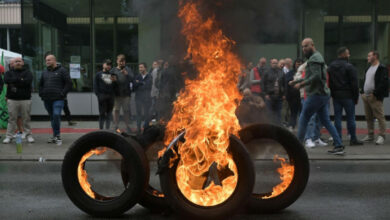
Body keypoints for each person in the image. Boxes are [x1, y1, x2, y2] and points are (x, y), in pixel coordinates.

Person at [289, 38, 344, 155]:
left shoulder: (314, 59)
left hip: (316, 94)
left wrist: (301, 84)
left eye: (306, 46)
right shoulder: (316, 57)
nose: (304, 49)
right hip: (322, 94)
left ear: (312, 45)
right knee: (326, 121)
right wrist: (296, 81)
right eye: (303, 46)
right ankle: (339, 145)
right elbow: (312, 75)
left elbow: (316, 77)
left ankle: (296, 148)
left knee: (303, 118)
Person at [328, 47, 363, 146]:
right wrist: (356, 97)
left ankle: (338, 139)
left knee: (337, 118)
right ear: (343, 54)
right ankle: (353, 139)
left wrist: (332, 93)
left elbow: (329, 82)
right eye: (348, 53)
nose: (349, 55)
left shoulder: (331, 66)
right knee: (351, 118)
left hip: (336, 96)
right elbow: (354, 84)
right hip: (348, 96)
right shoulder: (349, 67)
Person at [39, 53, 72, 145]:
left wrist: (62, 94)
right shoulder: (44, 72)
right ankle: (55, 136)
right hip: (47, 99)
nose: (47, 62)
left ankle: (57, 135)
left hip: (58, 99)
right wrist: (41, 94)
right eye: (46, 61)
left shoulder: (62, 71)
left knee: (56, 114)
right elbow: (40, 84)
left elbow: (69, 83)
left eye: (49, 60)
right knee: (52, 117)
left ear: (54, 60)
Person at [3, 58, 34, 144]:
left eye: (19, 61)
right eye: (16, 62)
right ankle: (9, 136)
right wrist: (21, 80)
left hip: (25, 99)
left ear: (23, 63)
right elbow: (7, 80)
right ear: (13, 64)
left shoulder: (28, 73)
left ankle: (28, 135)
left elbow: (27, 82)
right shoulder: (8, 73)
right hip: (12, 99)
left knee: (26, 118)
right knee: (11, 119)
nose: (18, 63)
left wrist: (15, 81)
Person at [360, 51, 389, 145]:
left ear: (375, 56)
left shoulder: (381, 68)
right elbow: (365, 80)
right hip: (366, 96)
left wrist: (375, 93)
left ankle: (382, 136)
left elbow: (383, 83)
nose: (367, 57)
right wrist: (362, 92)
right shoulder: (368, 68)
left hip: (375, 97)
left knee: (380, 116)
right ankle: (370, 134)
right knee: (368, 117)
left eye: (369, 55)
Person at [110, 54, 134, 132]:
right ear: (117, 61)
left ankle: (127, 126)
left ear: (125, 62)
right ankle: (116, 126)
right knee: (116, 111)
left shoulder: (128, 69)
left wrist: (127, 74)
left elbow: (132, 79)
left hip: (126, 94)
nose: (121, 63)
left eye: (123, 61)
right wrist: (112, 80)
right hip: (116, 94)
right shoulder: (113, 70)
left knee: (126, 111)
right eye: (120, 61)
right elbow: (109, 81)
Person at [263, 58, 286, 124]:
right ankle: (269, 126)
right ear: (270, 64)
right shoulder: (267, 72)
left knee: (278, 112)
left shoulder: (281, 72)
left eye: (276, 63)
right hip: (270, 96)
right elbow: (263, 83)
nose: (275, 64)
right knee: (269, 113)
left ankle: (278, 126)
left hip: (279, 96)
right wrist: (265, 94)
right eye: (273, 63)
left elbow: (285, 84)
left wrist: (284, 94)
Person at [94, 59, 115, 130]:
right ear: (103, 65)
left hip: (111, 97)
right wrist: (98, 95)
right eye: (107, 64)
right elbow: (95, 86)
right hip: (102, 96)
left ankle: (107, 129)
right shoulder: (98, 74)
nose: (109, 66)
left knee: (109, 114)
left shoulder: (112, 74)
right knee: (102, 114)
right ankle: (101, 129)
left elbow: (115, 85)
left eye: (110, 65)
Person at [134, 63, 152, 134]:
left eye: (141, 67)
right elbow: (134, 86)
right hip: (138, 97)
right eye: (139, 68)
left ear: (145, 68)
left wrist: (139, 83)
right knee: (138, 113)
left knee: (146, 113)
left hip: (147, 98)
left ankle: (146, 129)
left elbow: (148, 85)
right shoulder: (137, 76)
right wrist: (142, 83)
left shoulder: (149, 76)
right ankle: (138, 129)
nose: (140, 69)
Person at [285, 58, 303, 131]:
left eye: (300, 63)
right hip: (293, 97)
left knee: (302, 113)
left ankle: (301, 127)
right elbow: (287, 83)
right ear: (295, 64)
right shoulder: (290, 73)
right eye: (297, 63)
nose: (299, 65)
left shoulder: (304, 72)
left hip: (302, 96)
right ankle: (292, 126)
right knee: (293, 113)